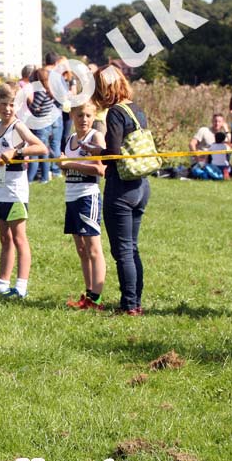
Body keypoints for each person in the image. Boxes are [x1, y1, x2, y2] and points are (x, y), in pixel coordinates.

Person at [89, 65, 151, 316]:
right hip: (141, 186)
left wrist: (95, 152)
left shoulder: (115, 113)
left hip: (121, 187)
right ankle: (135, 302)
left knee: (122, 250)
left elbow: (113, 154)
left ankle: (129, 306)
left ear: (106, 89)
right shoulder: (137, 110)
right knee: (132, 248)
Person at [0, 83, 47, 299]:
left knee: (19, 238)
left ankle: (21, 286)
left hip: (16, 191)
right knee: (5, 238)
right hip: (1, 189)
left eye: (12, 105)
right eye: (4, 104)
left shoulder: (17, 126)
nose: (7, 109)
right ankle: (2, 282)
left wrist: (17, 150)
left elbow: (41, 147)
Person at [57, 102, 107, 310]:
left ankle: (96, 298)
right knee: (81, 248)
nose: (84, 119)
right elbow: (65, 169)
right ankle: (88, 295)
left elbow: (100, 169)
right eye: (79, 115)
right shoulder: (69, 140)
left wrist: (69, 164)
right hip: (71, 196)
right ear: (72, 116)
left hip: (88, 196)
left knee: (94, 248)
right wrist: (64, 166)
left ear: (94, 116)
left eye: (88, 115)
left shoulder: (95, 137)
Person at [26, 68, 63, 183]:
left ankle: (31, 179)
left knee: (37, 152)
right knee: (45, 151)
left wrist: (29, 101)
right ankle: (45, 177)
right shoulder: (49, 90)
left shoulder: (41, 91)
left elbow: (34, 109)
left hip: (41, 125)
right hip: (48, 124)